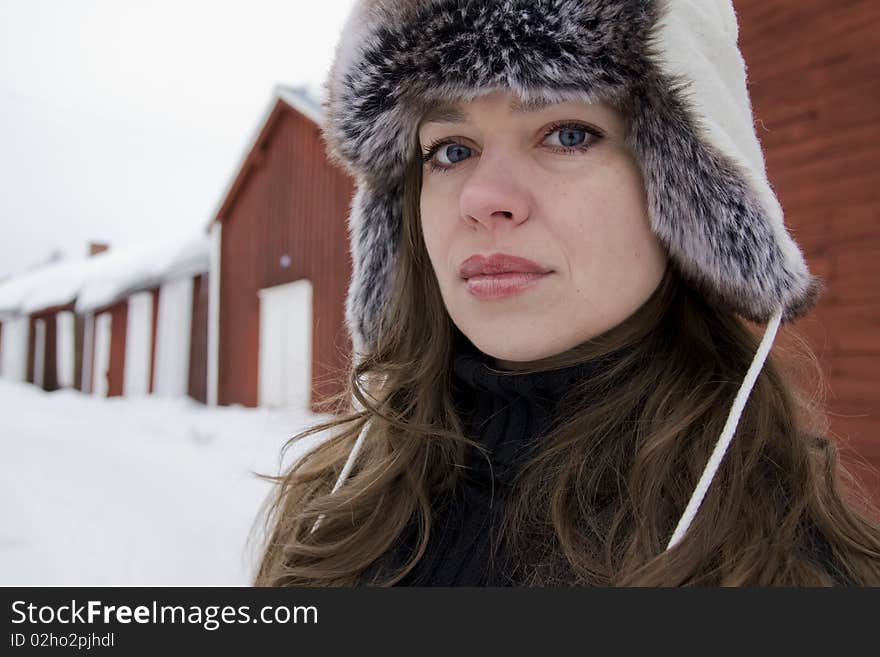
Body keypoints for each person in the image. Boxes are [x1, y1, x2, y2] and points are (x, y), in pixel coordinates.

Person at [252, 0, 880, 586]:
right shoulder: (332, 513)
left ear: (689, 195)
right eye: (450, 150)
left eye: (568, 134)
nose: (481, 198)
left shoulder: (793, 572)